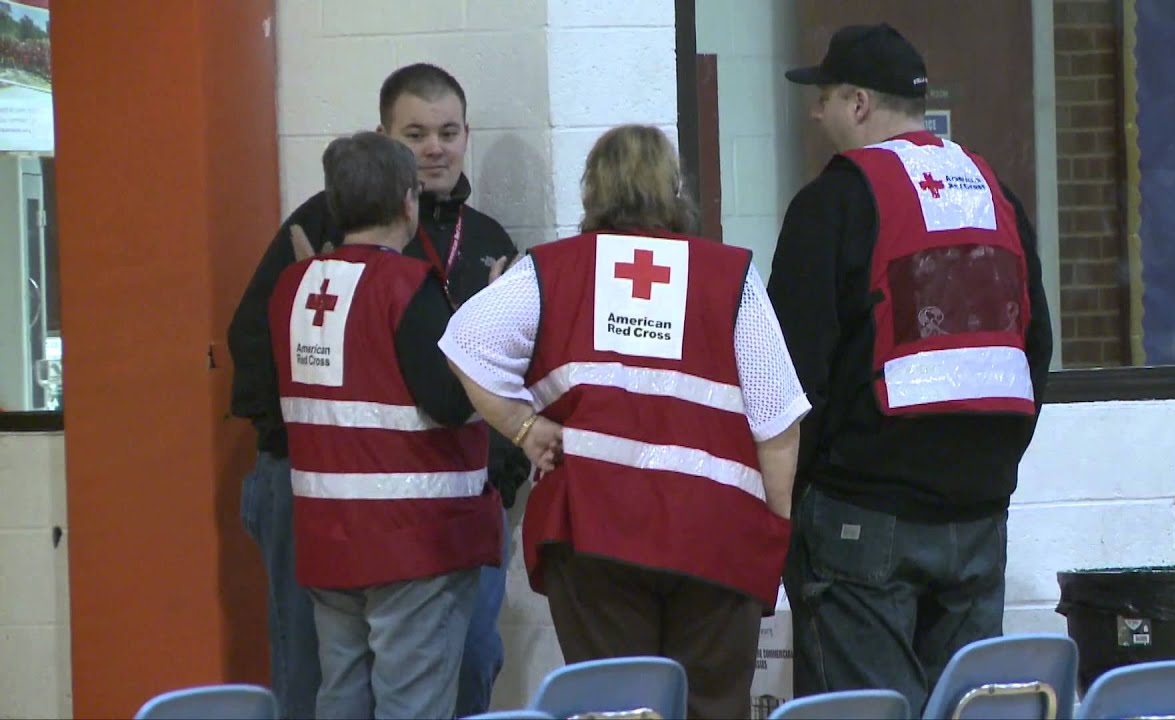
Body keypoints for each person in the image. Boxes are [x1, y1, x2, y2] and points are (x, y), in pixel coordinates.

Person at [439, 124, 811, 720]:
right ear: (674, 188)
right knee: (713, 707)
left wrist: (522, 427)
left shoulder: (550, 271)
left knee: (615, 709)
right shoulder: (730, 276)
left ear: (592, 191)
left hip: (594, 531)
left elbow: (464, 341)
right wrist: (773, 528)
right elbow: (779, 422)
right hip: (717, 536)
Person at [769, 23, 1054, 715]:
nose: (815, 113)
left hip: (863, 512)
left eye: (826, 97)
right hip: (981, 514)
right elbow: (1034, 347)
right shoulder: (997, 195)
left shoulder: (833, 201)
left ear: (859, 103)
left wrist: (797, 498)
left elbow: (790, 372)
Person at [227, 63, 525, 717]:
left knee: (441, 672)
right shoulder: (322, 229)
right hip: (345, 500)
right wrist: (312, 444)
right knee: (340, 682)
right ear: (386, 139)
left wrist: (500, 474)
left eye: (448, 132)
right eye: (415, 133)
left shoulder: (486, 240)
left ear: (467, 135)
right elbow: (256, 348)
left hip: (441, 504)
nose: (434, 147)